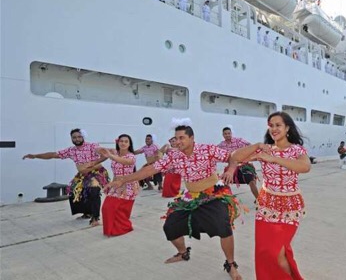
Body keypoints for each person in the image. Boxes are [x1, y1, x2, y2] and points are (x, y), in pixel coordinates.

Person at [104, 120, 243, 280]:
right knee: (170, 227)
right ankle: (183, 253)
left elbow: (232, 157)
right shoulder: (174, 156)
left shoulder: (208, 149)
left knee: (223, 227)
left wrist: (231, 170)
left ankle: (231, 264)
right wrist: (123, 180)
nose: (177, 141)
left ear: (192, 138)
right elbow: (151, 169)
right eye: (176, 138)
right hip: (190, 196)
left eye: (182, 138)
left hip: (213, 194)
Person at [229, 111, 310, 280]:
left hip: (289, 206)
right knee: (264, 251)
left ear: (287, 128)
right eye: (271, 125)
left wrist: (274, 159)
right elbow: (235, 157)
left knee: (277, 253)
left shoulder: (296, 149)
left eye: (278, 125)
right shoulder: (264, 149)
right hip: (267, 205)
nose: (274, 129)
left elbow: (304, 167)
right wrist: (258, 145)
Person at [23, 128, 109, 227]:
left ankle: (95, 218)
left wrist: (94, 162)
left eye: (79, 137)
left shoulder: (92, 146)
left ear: (83, 137)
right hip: (83, 175)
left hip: (96, 173)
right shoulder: (70, 151)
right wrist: (35, 156)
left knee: (93, 191)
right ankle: (87, 213)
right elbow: (53, 155)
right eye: (74, 137)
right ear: (71, 138)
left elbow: (105, 154)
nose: (77, 139)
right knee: (74, 191)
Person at [99, 134, 139, 236]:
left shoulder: (131, 156)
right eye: (121, 141)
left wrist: (111, 156)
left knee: (120, 209)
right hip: (116, 184)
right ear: (118, 142)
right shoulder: (115, 153)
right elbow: (115, 172)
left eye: (126, 141)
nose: (123, 143)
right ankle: (112, 229)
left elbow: (125, 162)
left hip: (128, 185)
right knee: (106, 207)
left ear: (129, 144)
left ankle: (123, 228)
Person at [217, 127, 259, 198]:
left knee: (251, 180)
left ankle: (259, 200)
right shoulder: (221, 145)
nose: (227, 135)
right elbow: (214, 152)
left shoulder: (239, 140)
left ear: (231, 133)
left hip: (244, 165)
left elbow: (251, 146)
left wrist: (247, 155)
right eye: (225, 134)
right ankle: (229, 201)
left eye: (228, 133)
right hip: (231, 168)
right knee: (224, 182)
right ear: (223, 135)